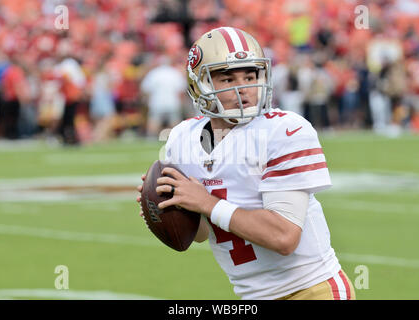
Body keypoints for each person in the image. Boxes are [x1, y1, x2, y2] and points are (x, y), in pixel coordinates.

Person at [136, 27, 355, 300]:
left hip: (311, 290)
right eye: (227, 79)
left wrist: (206, 202)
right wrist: (167, 205)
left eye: (250, 76)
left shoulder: (285, 131)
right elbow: (202, 233)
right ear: (198, 85)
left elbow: (284, 237)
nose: (244, 88)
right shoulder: (182, 138)